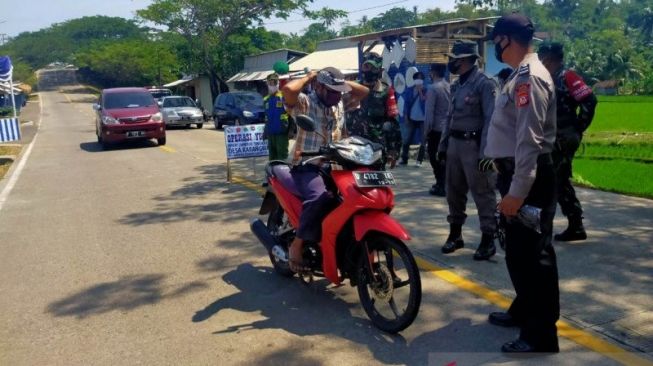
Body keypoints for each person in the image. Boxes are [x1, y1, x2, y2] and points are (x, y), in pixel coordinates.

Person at [484, 13, 560, 353]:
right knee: (518, 253)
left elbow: (529, 141)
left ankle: (541, 334)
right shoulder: (518, 75)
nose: (495, 47)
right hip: (515, 172)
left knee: (533, 257)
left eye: (496, 40)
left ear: (507, 39)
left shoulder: (530, 78)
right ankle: (525, 310)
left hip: (529, 176)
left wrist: (516, 192)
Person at [282, 67, 369, 272]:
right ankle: (297, 244)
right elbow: (287, 90)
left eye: (339, 91)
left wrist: (341, 82)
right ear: (319, 87)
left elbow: (364, 92)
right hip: (308, 166)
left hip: (338, 165)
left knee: (357, 198)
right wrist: (309, 77)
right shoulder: (305, 102)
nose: (336, 95)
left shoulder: (339, 102)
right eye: (331, 90)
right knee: (320, 197)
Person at [438, 40, 499, 260]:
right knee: (453, 192)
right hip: (455, 145)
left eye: (453, 59)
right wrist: (443, 145)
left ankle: (488, 239)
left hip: (474, 147)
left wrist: (486, 154)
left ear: (463, 60)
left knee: (483, 193)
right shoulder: (457, 84)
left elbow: (491, 120)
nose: (450, 63)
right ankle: (455, 235)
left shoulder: (484, 83)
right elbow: (449, 117)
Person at [538, 42, 597, 242]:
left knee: (555, 179)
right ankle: (575, 224)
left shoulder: (567, 76)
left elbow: (590, 100)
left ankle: (570, 223)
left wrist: (578, 127)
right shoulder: (547, 77)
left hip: (564, 136)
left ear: (551, 58)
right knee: (558, 180)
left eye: (543, 56)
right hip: (552, 136)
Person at [346, 52, 402, 168]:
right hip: (353, 146)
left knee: (376, 181)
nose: (369, 70)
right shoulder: (353, 89)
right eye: (366, 67)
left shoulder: (386, 91)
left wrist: (394, 150)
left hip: (376, 148)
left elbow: (392, 122)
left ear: (379, 70)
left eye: (373, 68)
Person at [424, 63, 451, 196]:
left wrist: (426, 131)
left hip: (436, 128)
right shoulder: (450, 87)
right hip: (449, 128)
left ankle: (441, 184)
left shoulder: (433, 88)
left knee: (434, 157)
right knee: (446, 157)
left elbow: (429, 112)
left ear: (433, 73)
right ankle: (445, 182)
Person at [263, 73, 293, 161]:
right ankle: (273, 174)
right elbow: (266, 118)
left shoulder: (284, 97)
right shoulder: (266, 100)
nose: (272, 85)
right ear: (267, 84)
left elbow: (291, 115)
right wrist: (265, 132)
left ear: (278, 83)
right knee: (272, 158)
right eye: (270, 83)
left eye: (274, 83)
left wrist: (291, 130)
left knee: (282, 158)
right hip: (270, 133)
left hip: (282, 134)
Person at [400, 72, 427, 166]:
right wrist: (405, 116)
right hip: (412, 117)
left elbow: (425, 101)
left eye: (420, 78)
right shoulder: (410, 90)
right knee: (407, 138)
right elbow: (406, 104)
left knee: (423, 140)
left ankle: (419, 160)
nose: (418, 80)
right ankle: (404, 159)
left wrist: (420, 92)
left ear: (423, 80)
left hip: (423, 119)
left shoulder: (426, 90)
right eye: (417, 78)